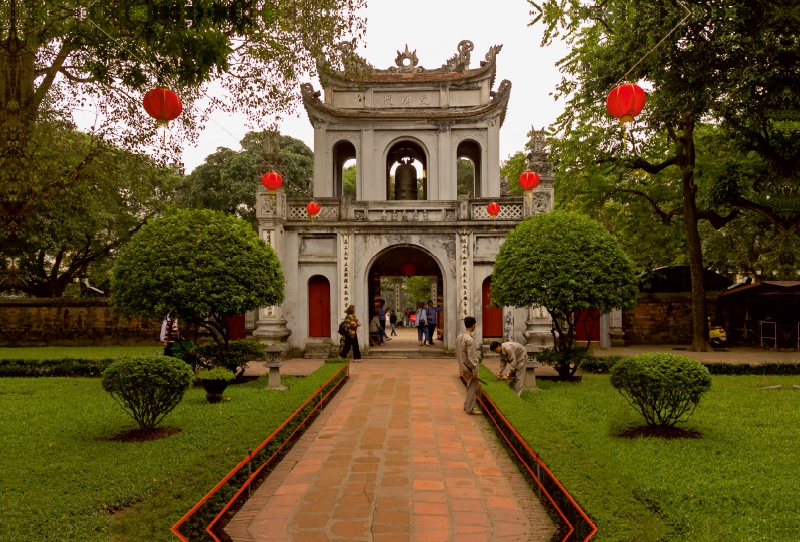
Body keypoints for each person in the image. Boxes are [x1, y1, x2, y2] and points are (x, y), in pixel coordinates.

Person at [457, 316, 480, 414]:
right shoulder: (469, 339)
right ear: (473, 325)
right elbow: (472, 356)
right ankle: (470, 409)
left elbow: (457, 352)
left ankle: (467, 406)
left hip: (462, 365)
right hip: (469, 367)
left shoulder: (459, 337)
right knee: (472, 387)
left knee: (469, 385)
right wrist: (474, 370)